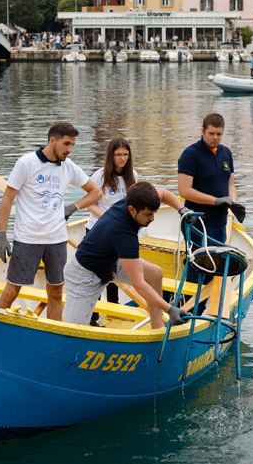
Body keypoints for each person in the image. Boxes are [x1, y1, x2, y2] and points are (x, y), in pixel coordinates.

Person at [0, 122, 102, 321]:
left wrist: (73, 207)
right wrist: (2, 236)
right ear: (52, 141)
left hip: (57, 239)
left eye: (72, 145)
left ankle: (55, 333)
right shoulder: (26, 163)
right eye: (66, 144)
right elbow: (7, 199)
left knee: (55, 293)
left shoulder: (68, 167)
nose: (69, 150)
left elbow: (96, 192)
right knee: (12, 290)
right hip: (28, 238)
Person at [62, 181, 192, 328]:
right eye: (148, 215)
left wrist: (182, 210)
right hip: (84, 275)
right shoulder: (123, 233)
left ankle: (157, 327)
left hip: (110, 264)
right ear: (131, 209)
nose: (152, 219)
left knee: (154, 273)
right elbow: (139, 284)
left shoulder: (135, 200)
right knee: (73, 330)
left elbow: (164, 194)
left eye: (154, 213)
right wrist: (169, 309)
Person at [178, 112, 243, 256]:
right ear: (202, 131)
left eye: (219, 134)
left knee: (216, 263)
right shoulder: (190, 154)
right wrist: (215, 201)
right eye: (211, 133)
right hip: (197, 221)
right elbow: (184, 191)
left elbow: (230, 185)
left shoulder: (226, 153)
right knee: (199, 265)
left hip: (220, 221)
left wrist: (233, 202)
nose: (215, 138)